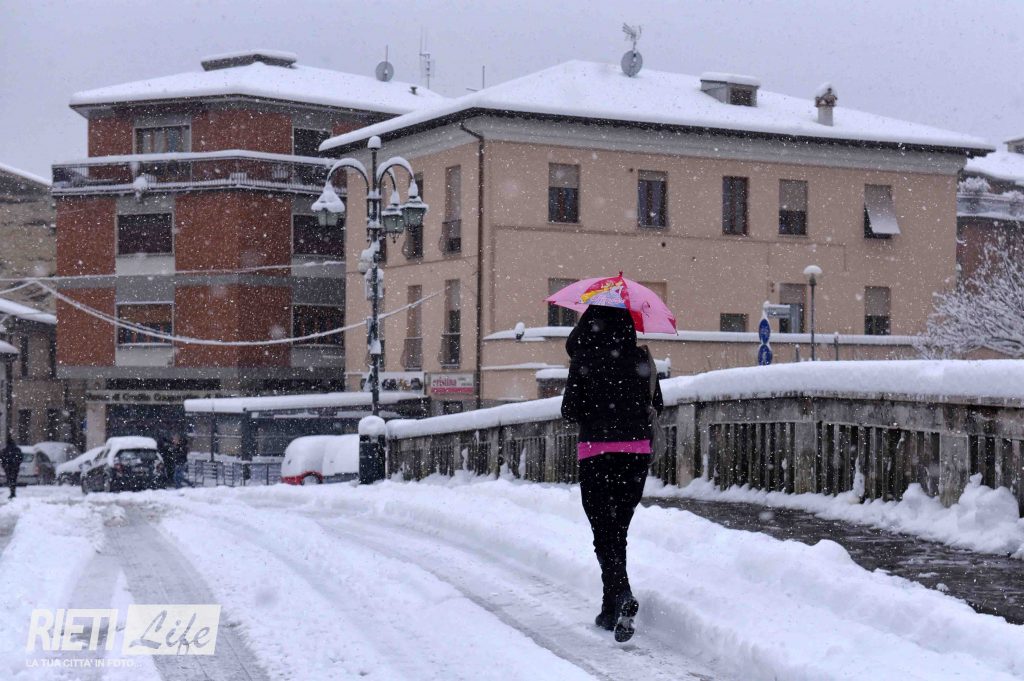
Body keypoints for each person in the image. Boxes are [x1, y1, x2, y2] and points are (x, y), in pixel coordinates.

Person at [560, 305, 663, 643]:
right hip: (636, 454)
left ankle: (622, 594)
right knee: (617, 530)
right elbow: (657, 404)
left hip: (597, 453)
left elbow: (569, 410)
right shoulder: (641, 358)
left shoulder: (584, 359)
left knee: (604, 531)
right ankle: (609, 609)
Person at [1, 436, 24, 500]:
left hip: (8, 467)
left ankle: (12, 492)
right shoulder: (17, 449)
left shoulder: (5, 450)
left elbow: (2, 459)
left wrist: (4, 465)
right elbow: (21, 458)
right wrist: (17, 464)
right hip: (15, 467)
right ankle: (13, 492)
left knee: (10, 479)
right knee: (14, 479)